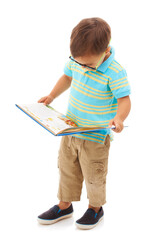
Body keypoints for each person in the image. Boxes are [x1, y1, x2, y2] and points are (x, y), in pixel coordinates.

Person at [37, 17, 131, 230]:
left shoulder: (114, 72)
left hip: (95, 136)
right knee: (66, 169)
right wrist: (51, 96)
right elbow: (67, 77)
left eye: (88, 63)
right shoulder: (76, 60)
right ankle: (64, 205)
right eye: (78, 61)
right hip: (70, 129)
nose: (82, 66)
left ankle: (95, 209)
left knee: (94, 175)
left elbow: (124, 99)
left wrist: (119, 118)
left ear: (106, 50)